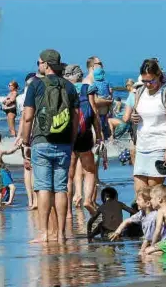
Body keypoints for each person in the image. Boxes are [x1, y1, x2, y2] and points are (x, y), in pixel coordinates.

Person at [22, 49, 80, 243]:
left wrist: (25, 142)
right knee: (61, 188)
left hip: (41, 141)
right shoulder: (70, 88)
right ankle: (62, 234)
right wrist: (71, 142)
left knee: (44, 187)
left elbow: (28, 116)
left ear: (46, 65)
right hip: (63, 142)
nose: (38, 65)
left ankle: (46, 233)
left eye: (39, 62)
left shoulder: (35, 85)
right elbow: (75, 119)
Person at [131, 59, 166, 193]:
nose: (148, 84)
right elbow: (136, 113)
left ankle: (160, 214)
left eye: (151, 81)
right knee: (140, 194)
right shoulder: (140, 92)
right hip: (142, 146)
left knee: (153, 193)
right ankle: (145, 214)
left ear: (159, 76)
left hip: (159, 146)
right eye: (145, 81)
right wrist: (134, 118)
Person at [63, 64, 103, 218]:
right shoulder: (88, 89)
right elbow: (93, 112)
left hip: (68, 135)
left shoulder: (64, 89)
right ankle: (87, 200)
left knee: (69, 174)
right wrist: (99, 134)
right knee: (90, 170)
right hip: (84, 133)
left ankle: (67, 212)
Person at [109, 187, 166, 254]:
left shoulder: (151, 218)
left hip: (163, 243)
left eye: (138, 200)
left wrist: (141, 252)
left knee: (145, 253)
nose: (136, 202)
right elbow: (127, 221)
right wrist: (117, 232)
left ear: (148, 203)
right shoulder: (142, 213)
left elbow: (147, 240)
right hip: (156, 242)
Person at [14, 72, 38, 210]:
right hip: (36, 133)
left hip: (24, 133)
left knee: (27, 167)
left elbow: (22, 119)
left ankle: (30, 200)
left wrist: (19, 135)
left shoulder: (19, 98)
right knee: (35, 167)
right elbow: (26, 118)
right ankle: (35, 200)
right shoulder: (35, 95)